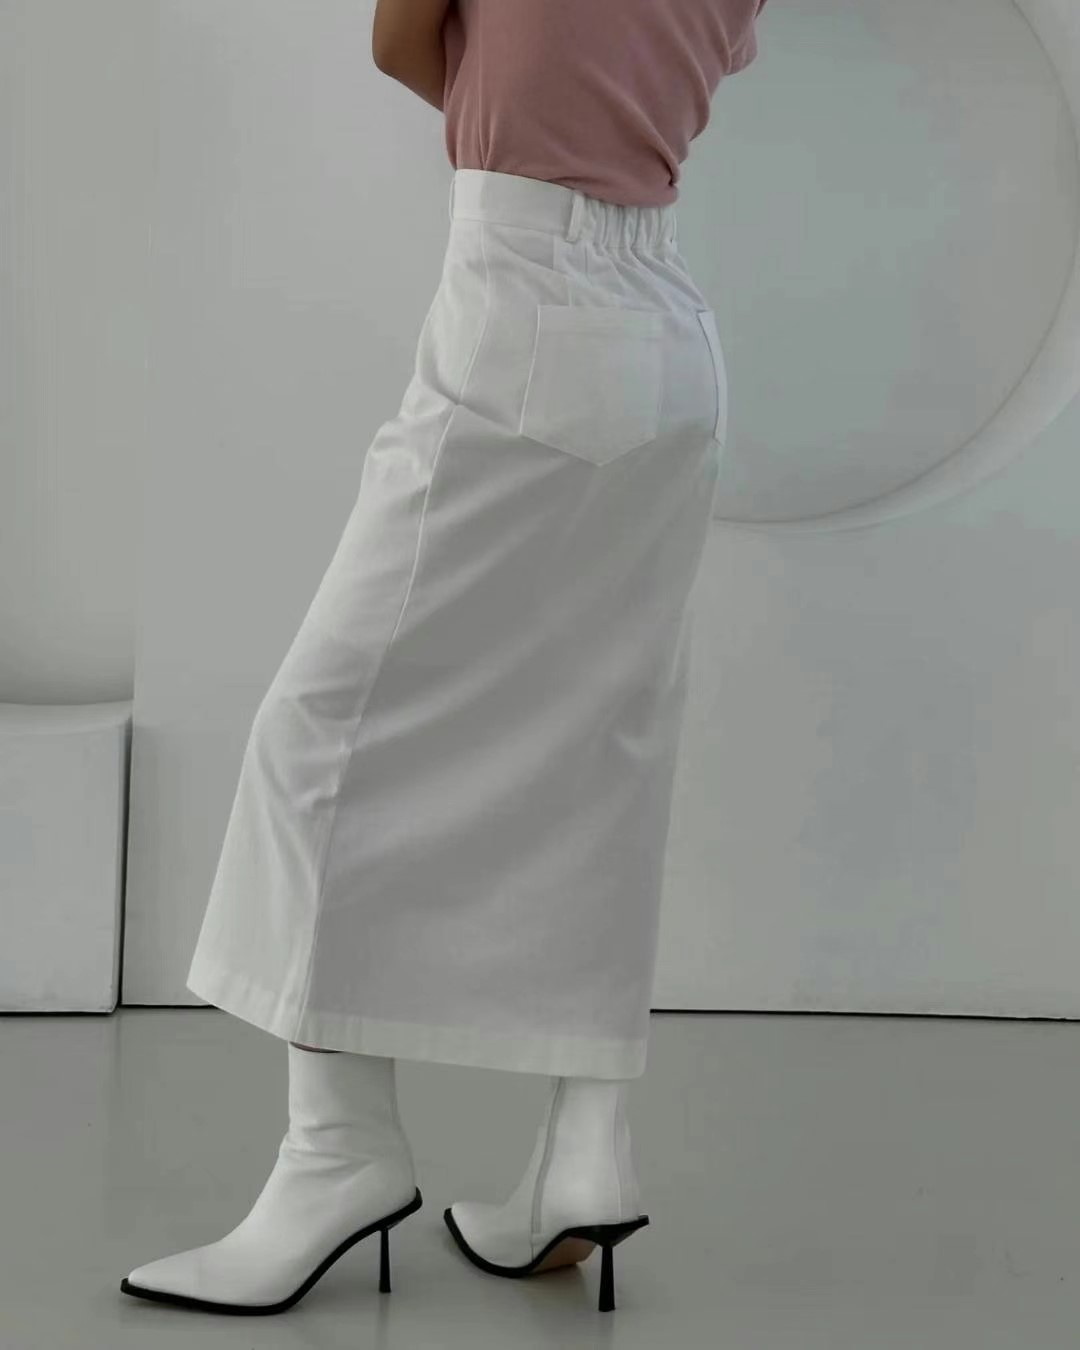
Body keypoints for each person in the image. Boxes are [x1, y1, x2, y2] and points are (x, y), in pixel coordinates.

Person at [120, 0, 769, 1318]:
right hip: (673, 337)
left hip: (525, 300)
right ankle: (586, 1145)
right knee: (603, 745)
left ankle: (338, 1152)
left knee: (318, 732)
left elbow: (401, 42)